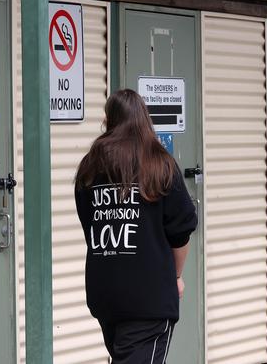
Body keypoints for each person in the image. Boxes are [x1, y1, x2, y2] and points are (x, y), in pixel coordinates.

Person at [74, 89, 197, 363]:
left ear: (108, 121)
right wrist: (175, 277)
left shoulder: (90, 166)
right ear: (145, 119)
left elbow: (90, 227)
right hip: (149, 300)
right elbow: (181, 230)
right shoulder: (159, 164)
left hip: (106, 295)